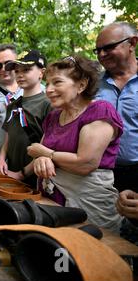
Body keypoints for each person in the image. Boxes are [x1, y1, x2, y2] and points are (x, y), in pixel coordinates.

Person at [27, 56, 123, 233]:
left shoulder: (100, 111)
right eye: (47, 84)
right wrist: (39, 160)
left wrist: (47, 155)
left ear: (81, 85)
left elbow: (85, 163)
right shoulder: (54, 116)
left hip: (89, 206)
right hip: (52, 202)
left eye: (57, 82)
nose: (49, 90)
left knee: (92, 255)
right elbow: (39, 152)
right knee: (58, 254)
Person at [94, 21, 138, 193]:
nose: (102, 54)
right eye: (97, 50)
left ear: (132, 43)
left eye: (109, 47)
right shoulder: (91, 85)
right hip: (99, 174)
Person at [0, 50, 51, 186]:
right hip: (10, 173)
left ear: (41, 72)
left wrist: (22, 173)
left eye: (26, 70)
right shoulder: (13, 104)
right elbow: (9, 134)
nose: (20, 75)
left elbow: (48, 145)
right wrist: (1, 158)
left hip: (36, 177)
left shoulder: (48, 104)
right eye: (17, 71)